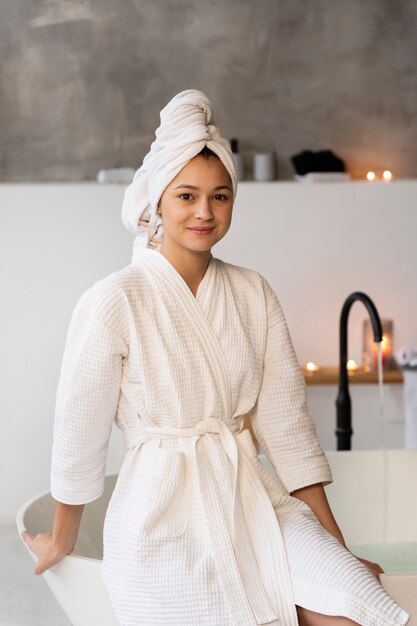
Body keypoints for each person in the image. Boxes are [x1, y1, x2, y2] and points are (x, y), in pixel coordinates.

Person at [22, 89, 410, 626]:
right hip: (162, 517)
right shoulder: (115, 299)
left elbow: (287, 430)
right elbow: (79, 431)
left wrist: (335, 547)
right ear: (156, 202)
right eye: (186, 196)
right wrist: (62, 537)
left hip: (255, 501)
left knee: (358, 609)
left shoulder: (253, 292)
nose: (205, 212)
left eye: (220, 196)